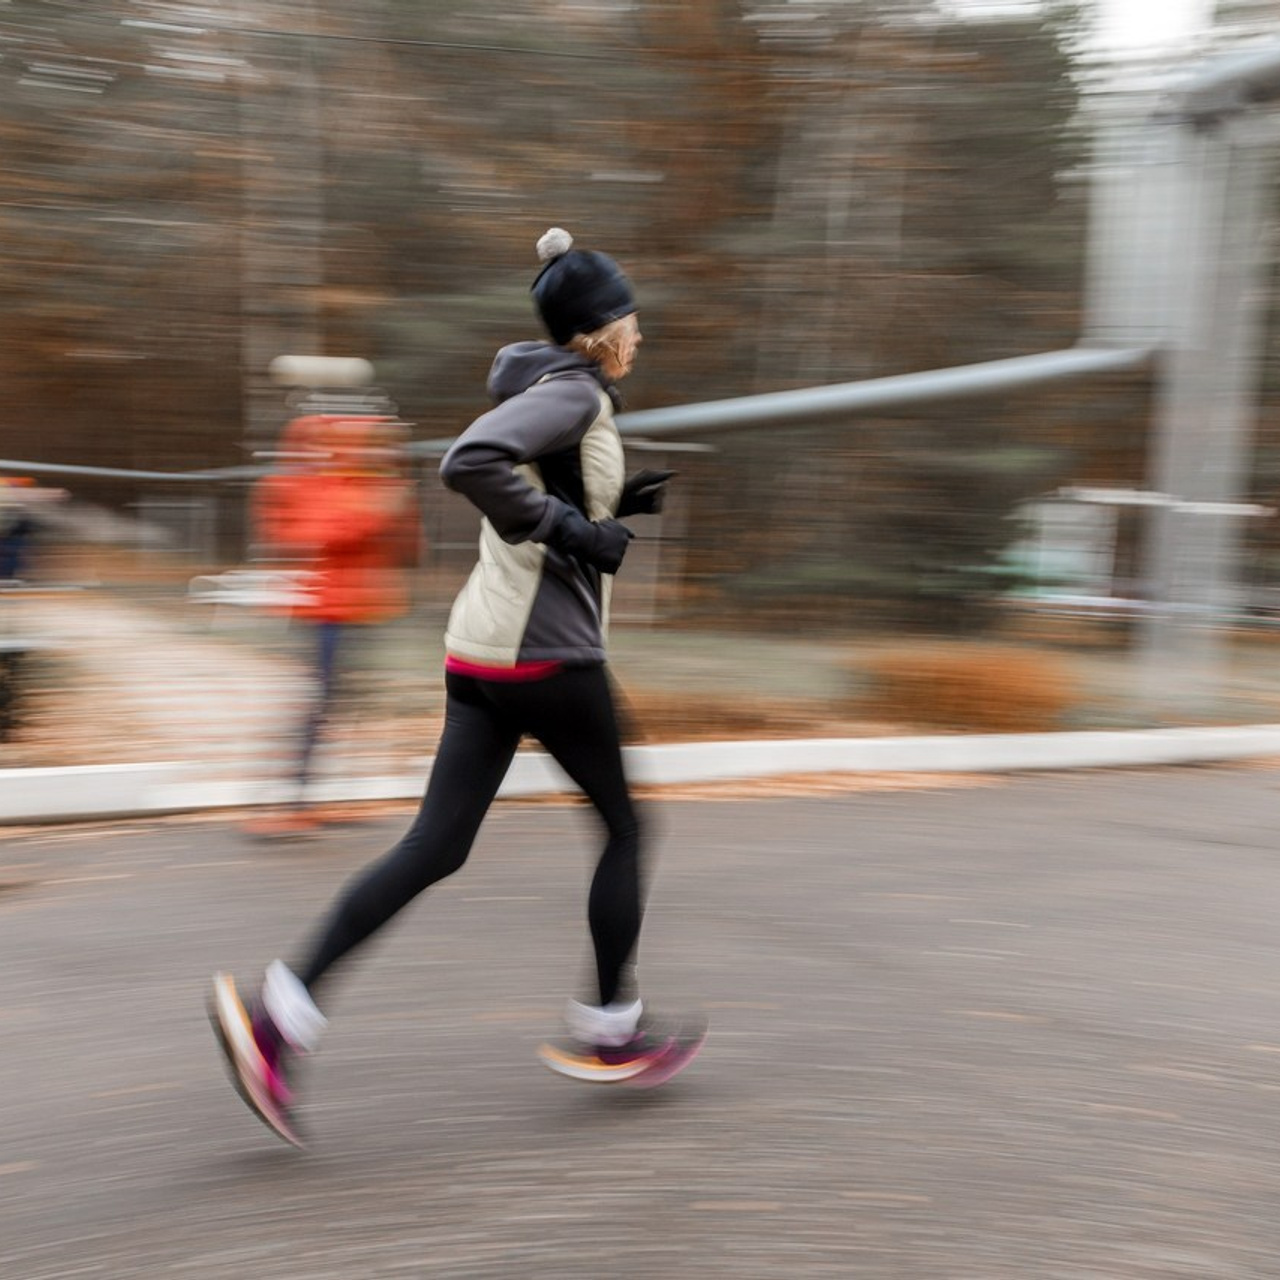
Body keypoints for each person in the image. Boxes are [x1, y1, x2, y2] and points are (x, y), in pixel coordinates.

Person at [211, 227, 703, 1146]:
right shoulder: (576, 393)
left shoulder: (549, 389)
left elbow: (532, 480)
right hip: (546, 657)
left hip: (481, 652)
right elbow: (469, 463)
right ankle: (610, 1030)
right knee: (630, 829)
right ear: (602, 327)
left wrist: (608, 507)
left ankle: (279, 1017)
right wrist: (574, 529)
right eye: (631, 317)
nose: (640, 331)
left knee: (436, 847)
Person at [244, 413, 418, 837]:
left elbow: (410, 546)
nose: (378, 452)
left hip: (365, 610)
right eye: (369, 443)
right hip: (327, 613)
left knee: (348, 705)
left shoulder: (375, 485)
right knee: (315, 706)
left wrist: (395, 506)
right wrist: (374, 514)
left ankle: (324, 797)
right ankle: (286, 801)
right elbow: (316, 534)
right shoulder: (316, 484)